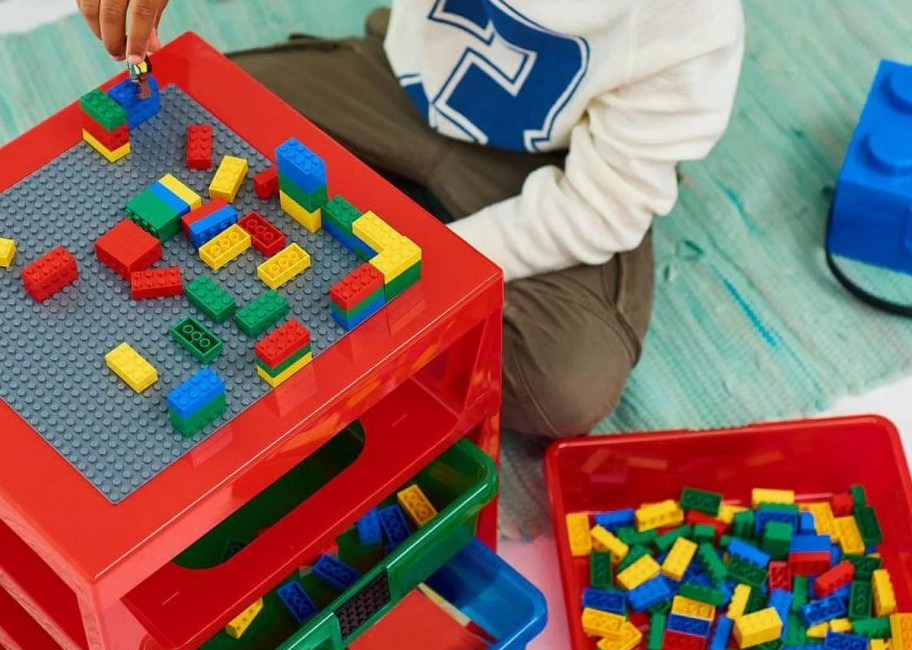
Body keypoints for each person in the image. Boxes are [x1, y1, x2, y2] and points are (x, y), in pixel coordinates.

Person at [77, 1, 744, 438]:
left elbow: (601, 206)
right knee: (181, 106)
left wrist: (420, 268)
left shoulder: (691, 23)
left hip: (558, 163)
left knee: (566, 382)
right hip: (395, 83)